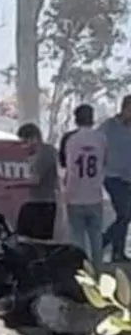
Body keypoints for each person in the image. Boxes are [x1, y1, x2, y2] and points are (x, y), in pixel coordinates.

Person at [63, 104, 107, 272]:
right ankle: (99, 272)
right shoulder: (101, 139)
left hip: (74, 195)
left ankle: (82, 273)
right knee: (96, 237)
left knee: (78, 239)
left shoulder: (71, 140)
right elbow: (104, 162)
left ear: (76, 119)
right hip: (94, 195)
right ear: (92, 118)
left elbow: (68, 167)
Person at [15, 122, 60, 240]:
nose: (24, 146)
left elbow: (35, 180)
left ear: (34, 138)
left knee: (38, 241)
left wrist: (12, 184)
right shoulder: (36, 155)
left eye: (25, 142)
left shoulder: (45, 153)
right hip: (34, 202)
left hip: (43, 203)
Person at [105, 95, 131, 261]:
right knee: (124, 212)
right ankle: (116, 252)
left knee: (127, 215)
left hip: (129, 176)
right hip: (113, 176)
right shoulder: (109, 126)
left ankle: (105, 242)